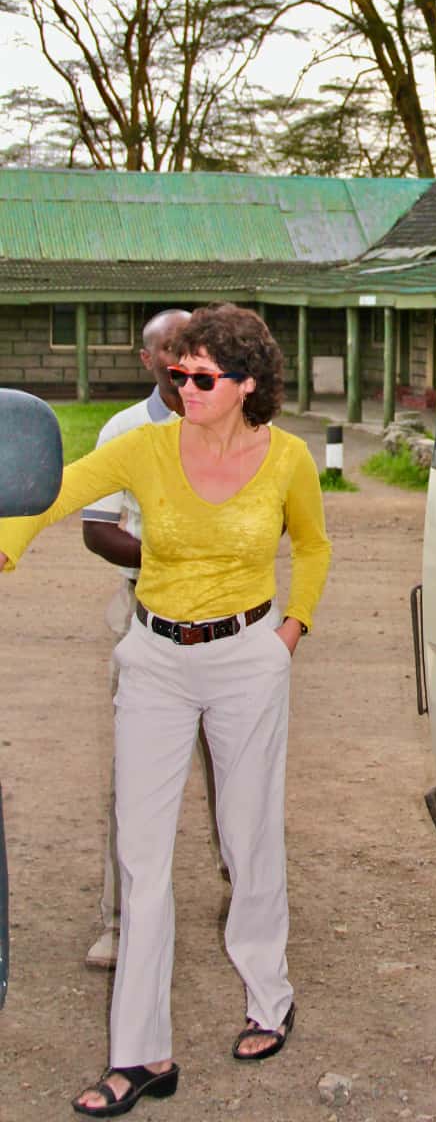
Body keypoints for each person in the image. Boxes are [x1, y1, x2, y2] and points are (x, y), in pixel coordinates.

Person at [0, 304, 331, 1117]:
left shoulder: (287, 459)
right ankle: (140, 1053)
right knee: (143, 858)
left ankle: (269, 996)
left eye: (202, 377)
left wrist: (292, 629)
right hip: (154, 659)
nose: (183, 386)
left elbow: (314, 546)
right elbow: (55, 496)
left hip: (248, 658)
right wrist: (5, 545)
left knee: (246, 838)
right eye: (176, 372)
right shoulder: (144, 447)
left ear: (248, 384)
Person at [81, 308, 194, 972]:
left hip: (230, 625)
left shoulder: (231, 422)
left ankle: (248, 912)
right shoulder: (124, 430)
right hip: (146, 616)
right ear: (146, 360)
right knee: (139, 779)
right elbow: (97, 529)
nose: (183, 362)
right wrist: (172, 561)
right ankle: (121, 922)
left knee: (239, 783)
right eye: (168, 351)